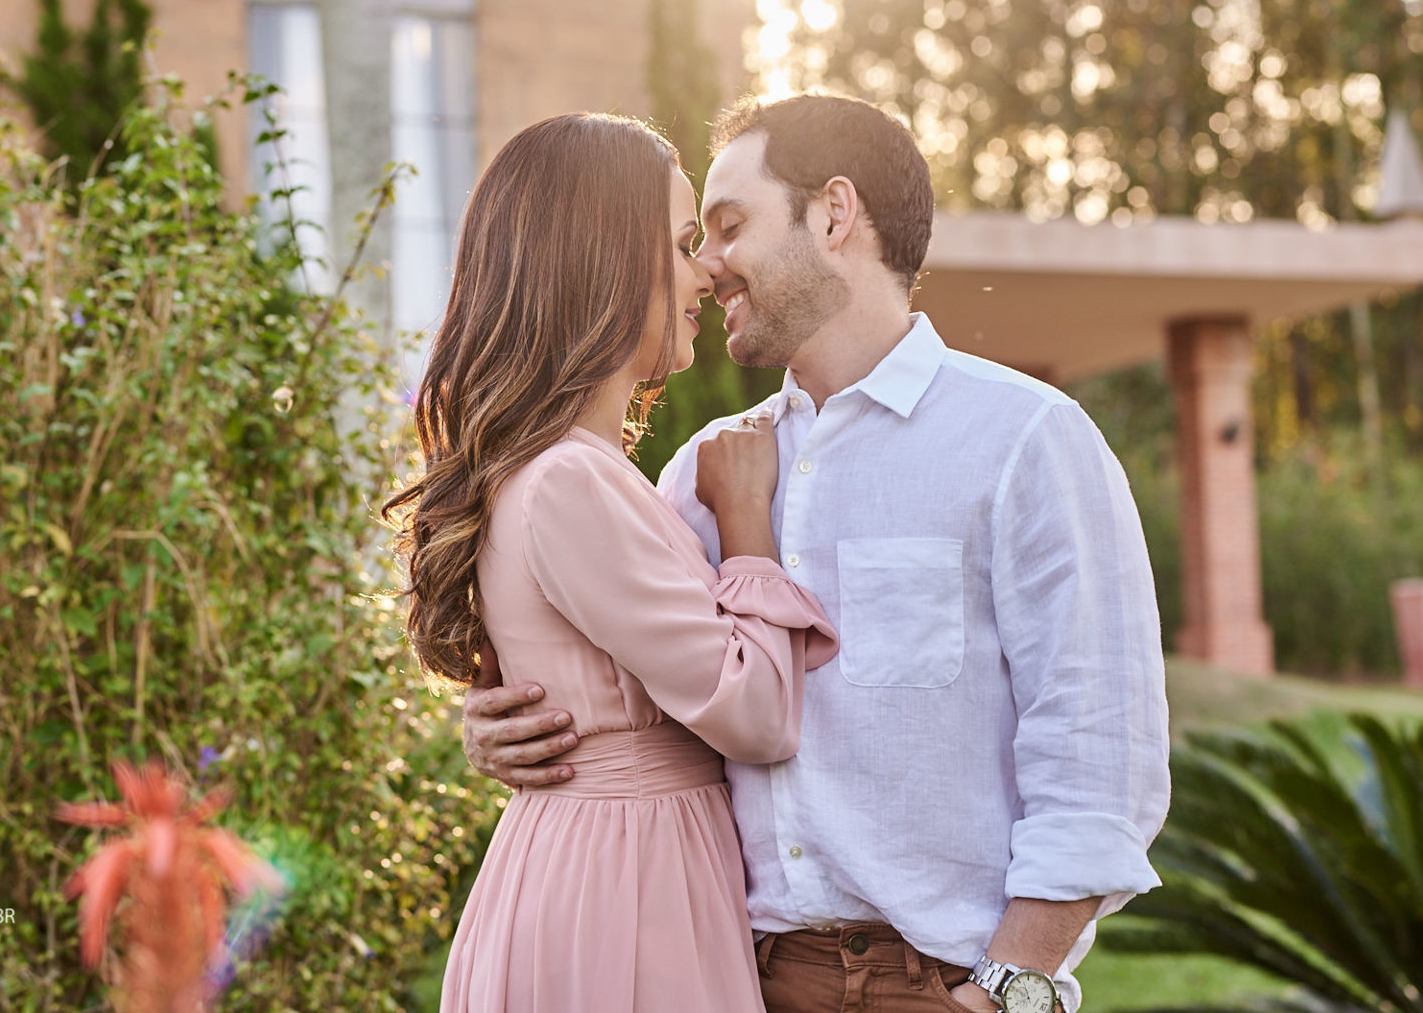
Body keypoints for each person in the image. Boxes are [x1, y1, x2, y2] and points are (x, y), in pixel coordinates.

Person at [462, 93, 1170, 1013]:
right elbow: (649, 689)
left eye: (727, 227)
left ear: (834, 215)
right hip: (731, 972)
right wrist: (504, 722)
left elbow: (1098, 757)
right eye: (694, 241)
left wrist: (1009, 993)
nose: (707, 267)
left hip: (942, 985)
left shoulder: (1026, 441)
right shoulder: (703, 474)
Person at [385, 112, 839, 1013]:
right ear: (599, 265)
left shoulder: (585, 476)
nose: (706, 272)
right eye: (680, 243)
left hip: (626, 865)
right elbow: (755, 715)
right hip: (622, 890)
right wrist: (746, 522)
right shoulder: (567, 485)